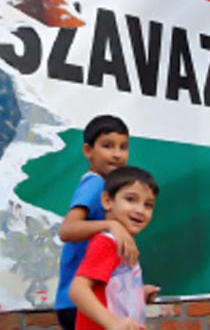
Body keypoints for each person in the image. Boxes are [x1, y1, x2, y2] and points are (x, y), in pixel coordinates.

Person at [55, 115, 138, 330]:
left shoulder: (106, 186)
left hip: (92, 298)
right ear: (88, 151)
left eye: (123, 147)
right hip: (79, 301)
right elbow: (67, 230)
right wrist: (110, 225)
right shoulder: (95, 184)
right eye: (107, 146)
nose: (117, 154)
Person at [70, 166, 160, 330]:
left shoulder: (123, 242)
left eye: (148, 205)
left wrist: (137, 294)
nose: (140, 210)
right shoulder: (108, 243)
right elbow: (78, 290)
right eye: (131, 199)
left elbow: (110, 289)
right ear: (107, 201)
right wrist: (113, 323)